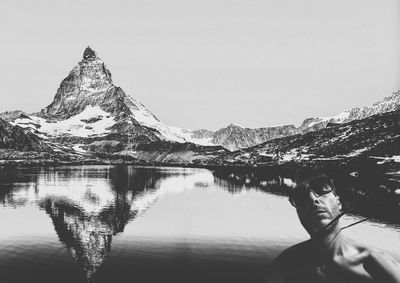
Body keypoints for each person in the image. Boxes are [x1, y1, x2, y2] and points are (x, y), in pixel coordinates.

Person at [267, 167, 400, 283]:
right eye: (300, 196)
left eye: (321, 187)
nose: (313, 199)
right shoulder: (284, 266)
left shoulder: (376, 262)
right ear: (298, 212)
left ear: (339, 203)